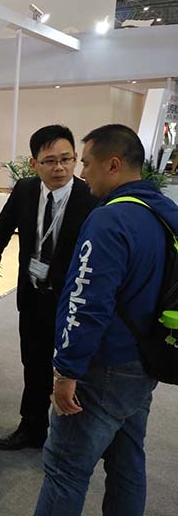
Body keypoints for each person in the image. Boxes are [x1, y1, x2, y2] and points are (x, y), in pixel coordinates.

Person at [35, 124, 178, 516]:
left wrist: (66, 371)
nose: (82, 173)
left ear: (113, 165)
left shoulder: (110, 220)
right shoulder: (164, 213)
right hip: (146, 358)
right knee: (128, 458)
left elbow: (86, 302)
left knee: (65, 470)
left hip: (104, 366)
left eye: (86, 163)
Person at [0, 125, 98, 451]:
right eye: (50, 161)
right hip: (33, 296)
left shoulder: (90, 197)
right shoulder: (26, 190)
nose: (60, 168)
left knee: (76, 369)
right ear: (34, 163)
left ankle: (74, 438)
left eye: (66, 159)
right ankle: (32, 428)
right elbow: (1, 231)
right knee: (34, 364)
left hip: (72, 301)